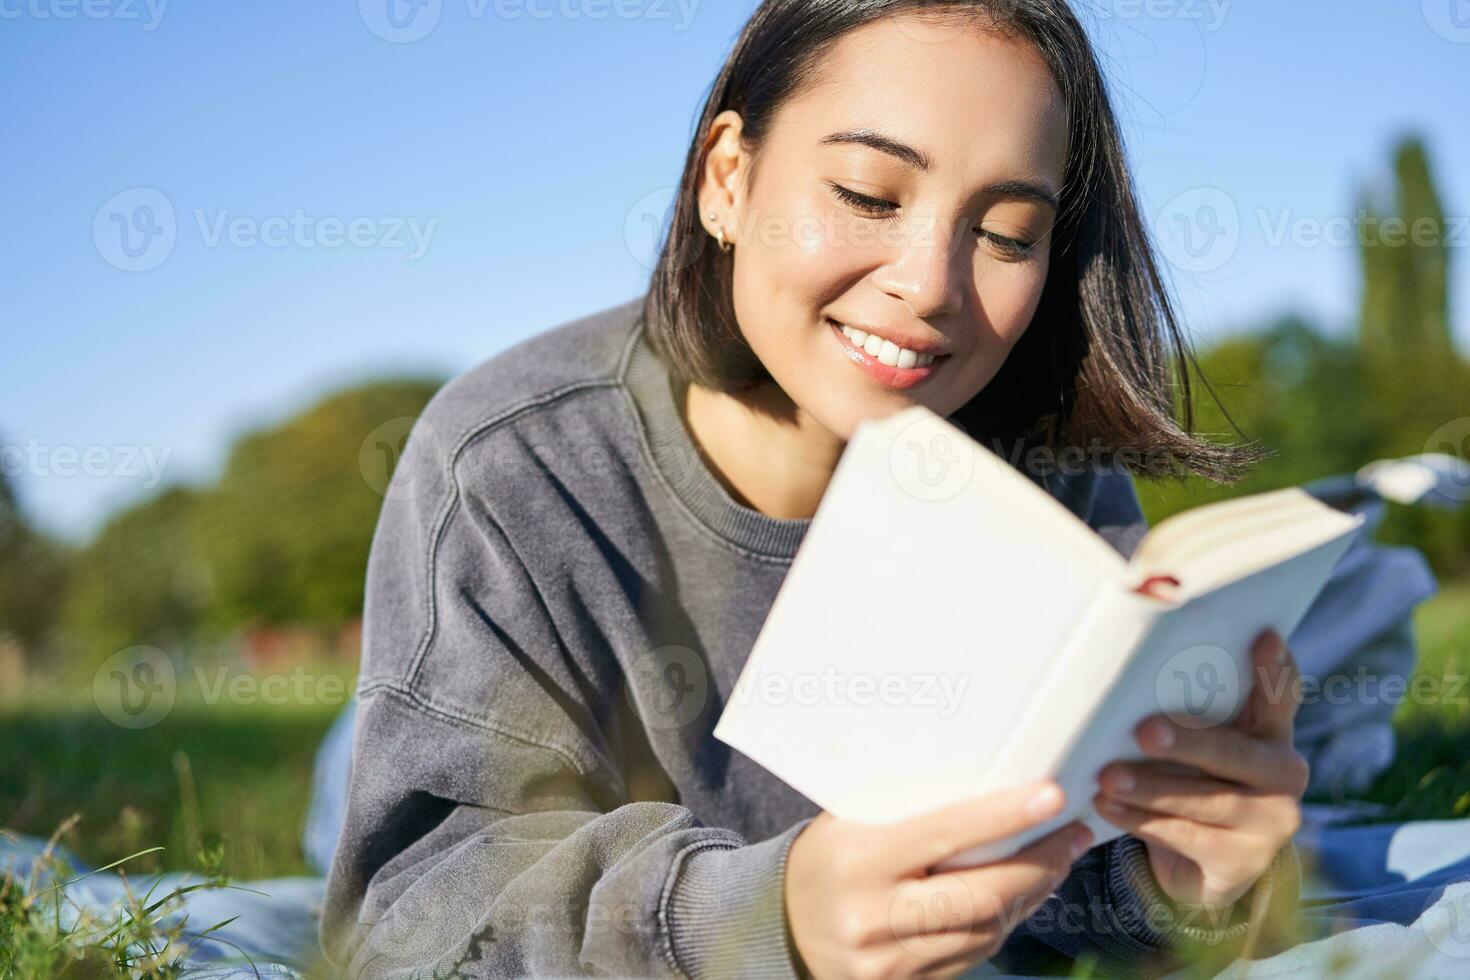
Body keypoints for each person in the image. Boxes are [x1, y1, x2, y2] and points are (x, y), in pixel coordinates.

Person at [321, 2, 1307, 977]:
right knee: (357, 774)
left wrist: (1171, 882)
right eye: (869, 193)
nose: (930, 285)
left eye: (1007, 232)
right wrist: (766, 915)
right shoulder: (511, 463)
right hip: (496, 710)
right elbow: (406, 922)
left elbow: (1060, 894)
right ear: (727, 180)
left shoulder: (1054, 481)